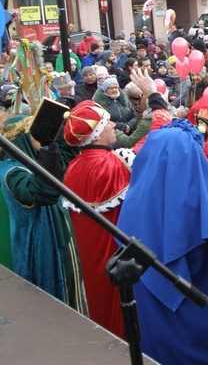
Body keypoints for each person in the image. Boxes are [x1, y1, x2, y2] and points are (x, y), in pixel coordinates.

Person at [116, 76, 208, 364]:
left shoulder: (134, 201)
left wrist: (157, 98)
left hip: (153, 319)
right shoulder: (202, 195)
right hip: (200, 313)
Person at [0, 115, 86, 314]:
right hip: (41, 247)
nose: (44, 139)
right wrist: (48, 149)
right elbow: (42, 191)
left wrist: (60, 130)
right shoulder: (11, 171)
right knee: (54, 308)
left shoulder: (33, 163)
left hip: (55, 238)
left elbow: (64, 158)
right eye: (36, 135)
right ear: (23, 137)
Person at [63, 100, 134, 338]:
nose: (114, 124)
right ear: (94, 135)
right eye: (106, 122)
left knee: (99, 296)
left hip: (94, 262)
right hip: (120, 260)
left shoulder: (74, 166)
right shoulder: (111, 164)